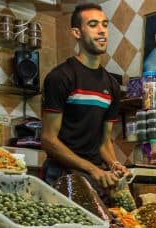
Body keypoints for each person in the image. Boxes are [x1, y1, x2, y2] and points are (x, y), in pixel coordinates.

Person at [41, 3, 129, 195]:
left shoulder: (112, 85)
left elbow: (104, 143)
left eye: (105, 25)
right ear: (77, 33)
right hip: (60, 175)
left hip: (94, 176)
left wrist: (114, 164)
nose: (102, 31)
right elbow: (48, 140)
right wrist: (92, 169)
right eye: (93, 24)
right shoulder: (61, 77)